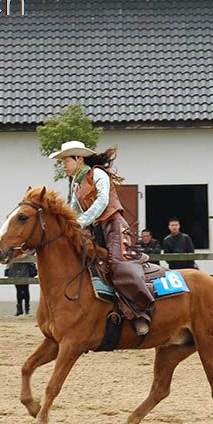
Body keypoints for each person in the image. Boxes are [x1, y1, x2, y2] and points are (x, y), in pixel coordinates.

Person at [49, 140, 155, 335]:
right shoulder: (76, 183)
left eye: (66, 161)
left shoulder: (98, 174)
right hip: (95, 229)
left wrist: (80, 222)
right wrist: (65, 225)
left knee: (117, 264)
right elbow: (72, 208)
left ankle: (142, 312)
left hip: (113, 226)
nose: (63, 165)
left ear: (79, 159)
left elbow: (102, 200)